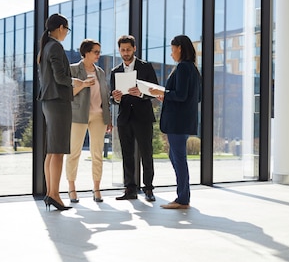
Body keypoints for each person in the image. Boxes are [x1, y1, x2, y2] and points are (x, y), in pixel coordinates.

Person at [37, 13, 85, 211]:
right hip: (58, 101)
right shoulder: (55, 46)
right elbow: (60, 76)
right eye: (67, 29)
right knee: (58, 152)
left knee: (52, 151)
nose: (66, 33)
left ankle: (51, 193)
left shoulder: (46, 47)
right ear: (60, 27)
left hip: (49, 101)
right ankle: (55, 194)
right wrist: (76, 81)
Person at [149, 35, 201, 209]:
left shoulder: (183, 68)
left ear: (179, 48)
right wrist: (167, 97)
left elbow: (180, 95)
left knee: (179, 158)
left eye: (172, 50)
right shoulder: (193, 68)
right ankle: (183, 196)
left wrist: (162, 92)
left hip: (178, 122)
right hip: (184, 121)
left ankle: (183, 199)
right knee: (175, 156)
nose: (171, 54)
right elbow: (194, 98)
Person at [110, 35, 159, 202]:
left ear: (134, 49)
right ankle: (130, 189)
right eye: (122, 50)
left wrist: (141, 93)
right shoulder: (115, 71)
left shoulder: (146, 67)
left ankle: (149, 189)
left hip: (143, 116)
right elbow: (112, 98)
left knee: (147, 153)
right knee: (127, 155)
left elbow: (154, 91)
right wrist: (115, 98)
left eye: (128, 49)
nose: (125, 53)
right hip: (124, 118)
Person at [66, 39, 113, 203]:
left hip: (99, 116)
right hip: (78, 115)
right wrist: (83, 84)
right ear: (85, 52)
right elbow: (68, 94)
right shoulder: (73, 70)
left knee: (97, 154)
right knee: (74, 153)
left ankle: (97, 189)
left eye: (99, 52)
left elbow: (105, 96)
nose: (99, 55)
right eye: (96, 52)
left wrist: (108, 119)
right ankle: (72, 189)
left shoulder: (100, 72)